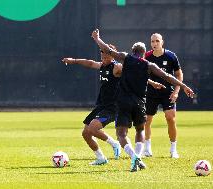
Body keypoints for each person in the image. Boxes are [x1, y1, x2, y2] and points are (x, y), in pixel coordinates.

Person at [91, 29, 194, 172]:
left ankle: (134, 157)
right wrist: (184, 86)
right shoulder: (149, 65)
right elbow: (167, 77)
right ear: (144, 52)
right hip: (140, 102)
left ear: (133, 51)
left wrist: (97, 38)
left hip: (123, 102)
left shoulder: (126, 58)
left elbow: (107, 50)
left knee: (121, 134)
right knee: (140, 130)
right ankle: (138, 156)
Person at [62, 44, 121, 165]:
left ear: (112, 55)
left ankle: (115, 144)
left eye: (105, 57)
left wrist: (151, 82)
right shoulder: (102, 66)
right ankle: (101, 158)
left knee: (93, 128)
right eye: (102, 57)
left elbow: (133, 72)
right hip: (101, 105)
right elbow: (89, 63)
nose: (103, 59)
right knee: (85, 133)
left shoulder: (117, 68)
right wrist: (73, 61)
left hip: (112, 107)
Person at [144, 33, 183, 158]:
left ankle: (173, 150)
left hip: (168, 93)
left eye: (157, 41)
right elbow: (142, 75)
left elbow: (179, 75)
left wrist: (176, 91)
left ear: (162, 42)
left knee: (170, 118)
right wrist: (151, 83)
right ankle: (147, 149)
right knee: (147, 120)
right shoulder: (147, 56)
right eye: (152, 41)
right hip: (151, 92)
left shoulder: (171, 56)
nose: (155, 44)